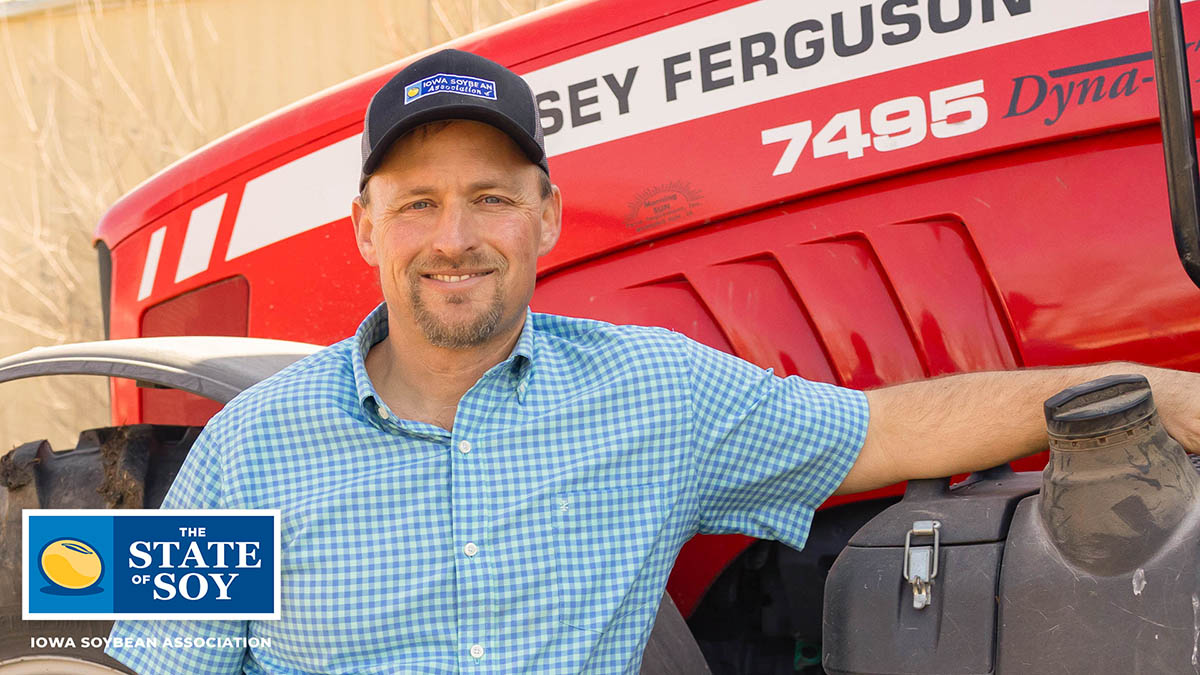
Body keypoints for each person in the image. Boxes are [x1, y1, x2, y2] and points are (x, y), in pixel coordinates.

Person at [105, 49, 1200, 674]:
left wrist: (1139, 393)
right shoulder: (247, 445)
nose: (455, 238)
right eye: (417, 205)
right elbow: (138, 662)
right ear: (363, 228)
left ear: (547, 216)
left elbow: (887, 429)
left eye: (489, 198)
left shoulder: (649, 394)